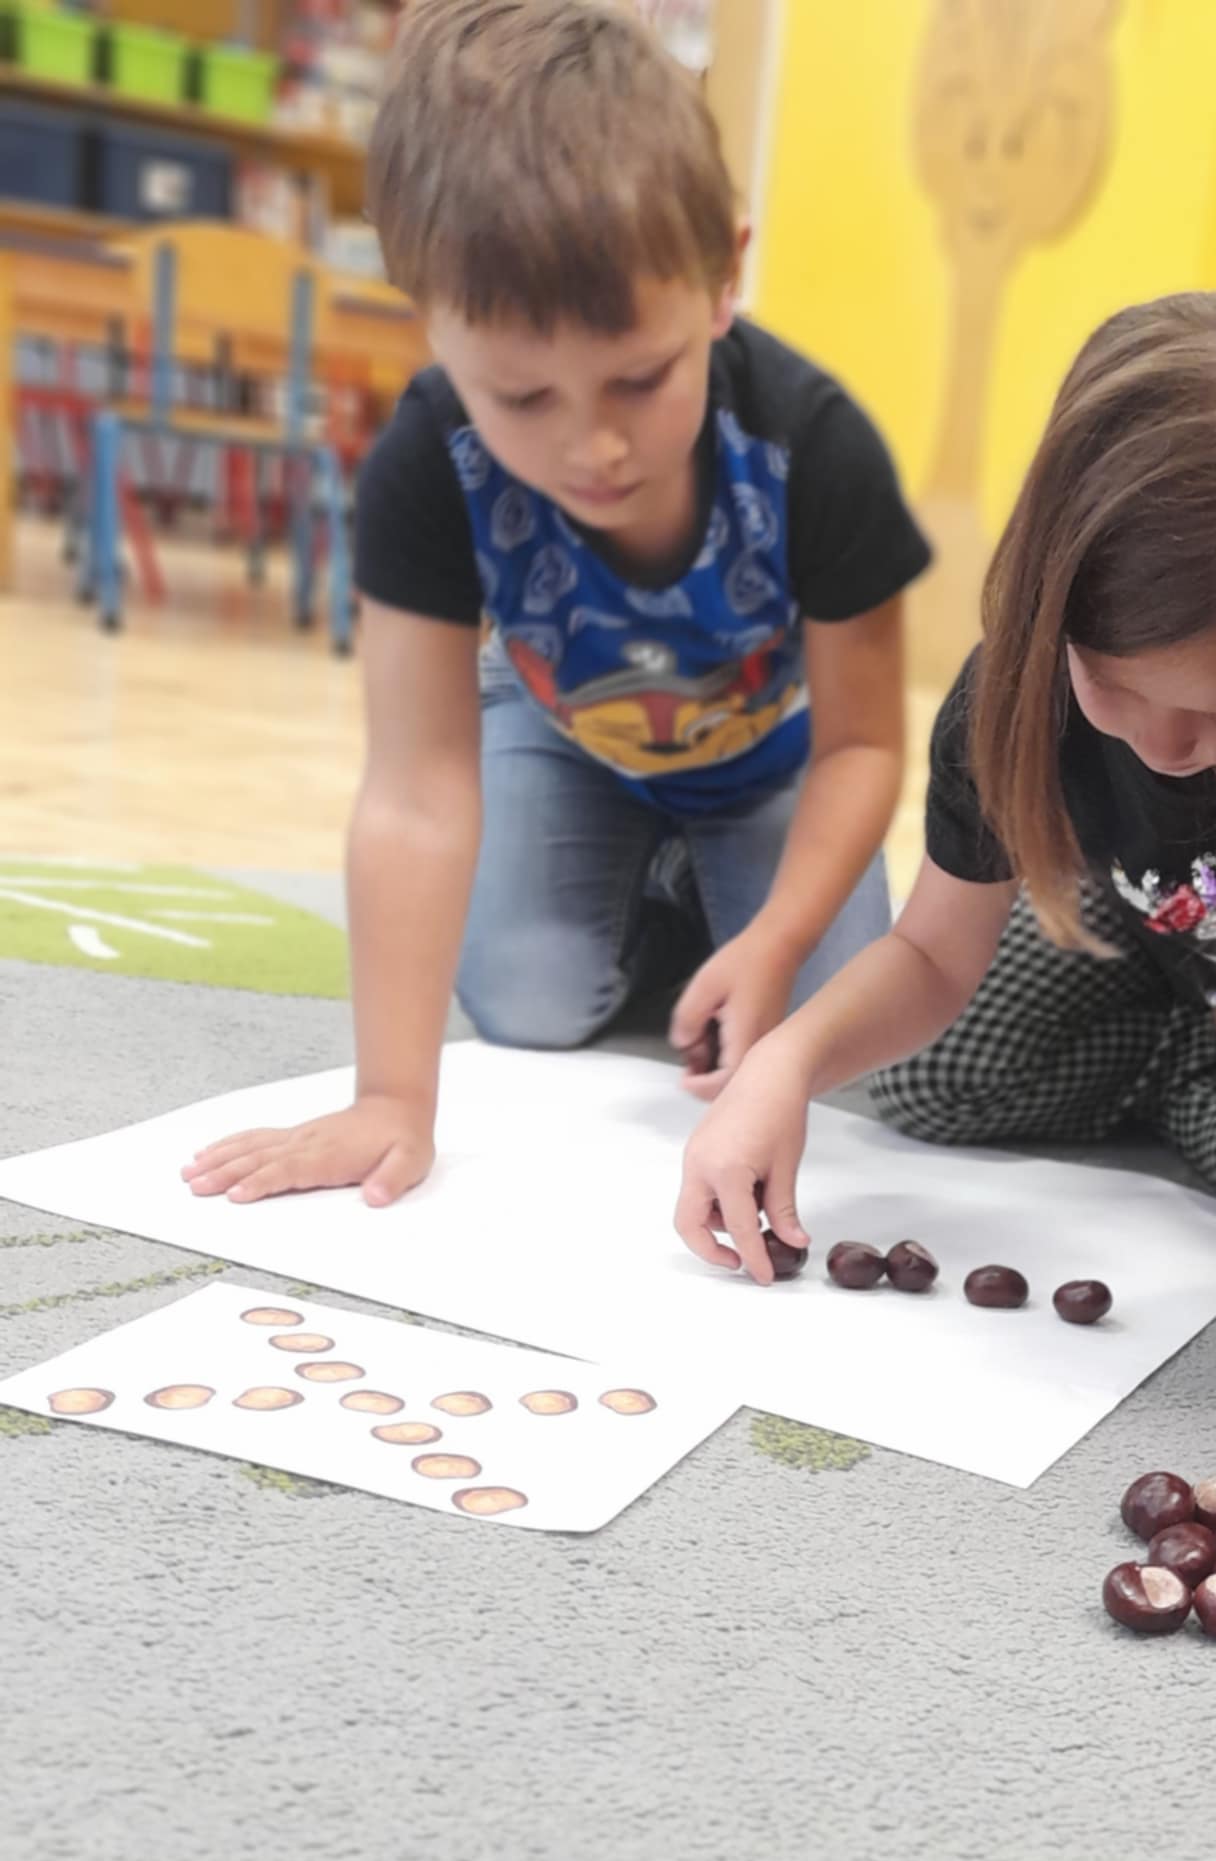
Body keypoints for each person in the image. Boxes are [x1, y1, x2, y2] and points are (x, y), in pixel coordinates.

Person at [184, 0, 928, 1208]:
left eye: (639, 378)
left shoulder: (816, 448)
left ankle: (705, 897)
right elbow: (416, 790)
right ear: (428, 321)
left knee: (842, 1037)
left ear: (724, 275)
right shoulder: (426, 462)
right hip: (560, 737)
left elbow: (861, 747)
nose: (594, 447)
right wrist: (391, 1096)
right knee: (523, 1003)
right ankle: (656, 894)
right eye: (522, 398)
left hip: (768, 763)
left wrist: (780, 934)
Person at [676, 292, 1216, 1325]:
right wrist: (782, 1064)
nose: (1165, 747)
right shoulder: (1012, 681)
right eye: (1113, 686)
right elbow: (931, 954)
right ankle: (1206, 1055)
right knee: (931, 1081)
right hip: (1133, 908)